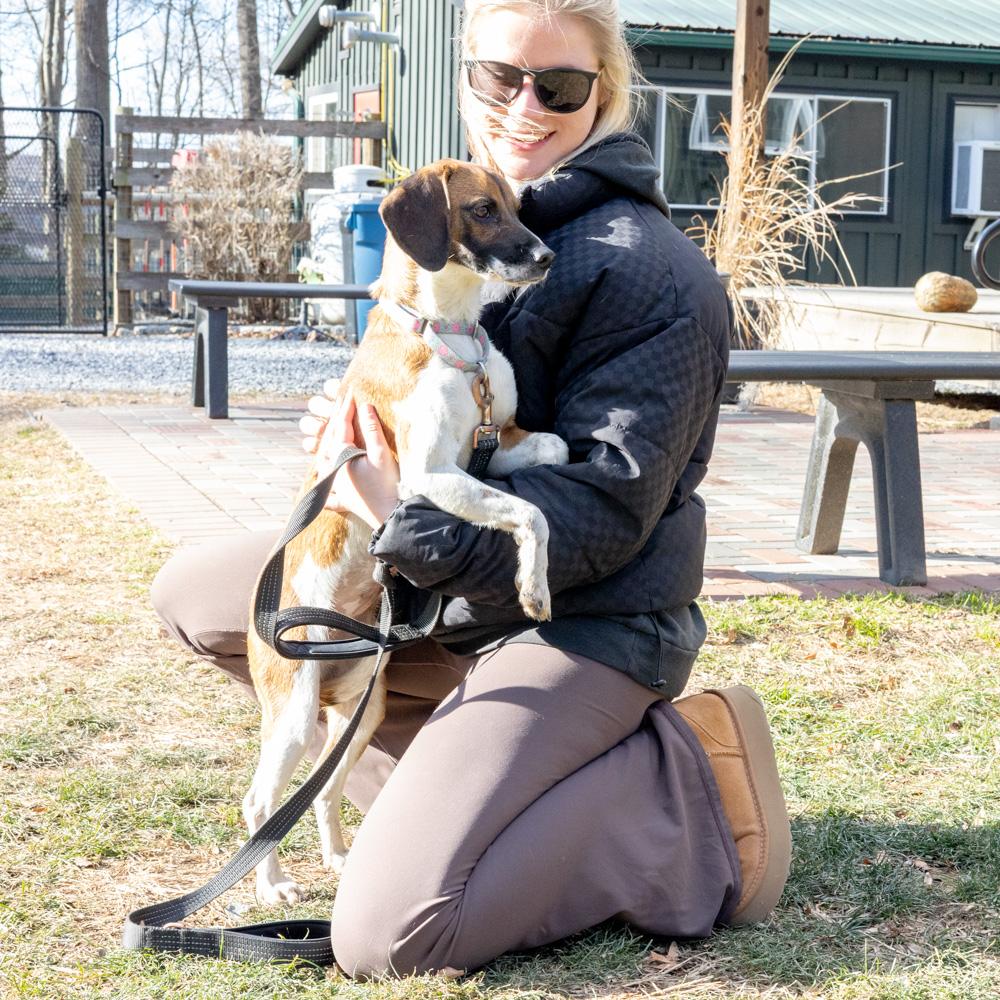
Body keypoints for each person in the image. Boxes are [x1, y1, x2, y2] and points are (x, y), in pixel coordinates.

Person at [152, 0, 790, 978]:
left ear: (602, 96)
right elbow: (420, 387)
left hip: (587, 615)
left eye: (558, 86)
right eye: (499, 77)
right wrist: (355, 415)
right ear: (467, 80)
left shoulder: (650, 272)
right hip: (453, 591)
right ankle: (474, 787)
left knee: (391, 933)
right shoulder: (456, 221)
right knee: (201, 595)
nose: (523, 104)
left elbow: (604, 512)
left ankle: (675, 793)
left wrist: (387, 503)